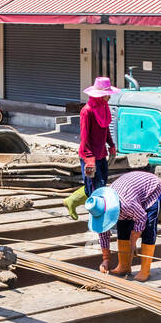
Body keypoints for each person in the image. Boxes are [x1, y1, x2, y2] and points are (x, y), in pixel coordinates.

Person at [84, 170, 161, 280]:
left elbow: (141, 217)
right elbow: (103, 233)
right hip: (131, 192)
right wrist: (106, 259)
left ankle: (145, 270)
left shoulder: (127, 204)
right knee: (122, 225)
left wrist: (133, 242)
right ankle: (124, 266)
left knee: (148, 227)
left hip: (152, 188)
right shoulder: (100, 208)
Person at [65, 76, 120, 220]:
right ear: (100, 95)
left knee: (100, 185)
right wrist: (89, 159)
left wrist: (112, 146)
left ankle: (71, 200)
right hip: (89, 155)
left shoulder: (104, 107)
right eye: (107, 94)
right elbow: (85, 136)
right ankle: (98, 220)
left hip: (101, 153)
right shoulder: (87, 111)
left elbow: (105, 128)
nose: (109, 97)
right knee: (95, 190)